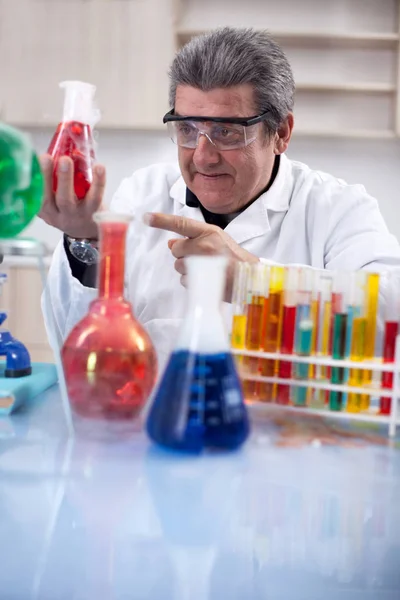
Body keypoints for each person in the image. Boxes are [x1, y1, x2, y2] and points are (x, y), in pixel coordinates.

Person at [40, 27, 400, 369]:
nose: (202, 156)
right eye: (187, 129)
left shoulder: (337, 209)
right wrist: (83, 242)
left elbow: (390, 312)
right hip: (155, 429)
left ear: (281, 133)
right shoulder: (142, 195)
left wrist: (254, 283)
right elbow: (74, 343)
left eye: (226, 132)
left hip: (286, 431)